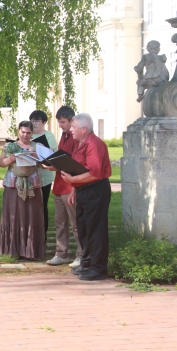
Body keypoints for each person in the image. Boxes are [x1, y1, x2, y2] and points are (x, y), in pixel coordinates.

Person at [61, 113, 112, 281]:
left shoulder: (94, 144)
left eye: (74, 127)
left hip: (95, 189)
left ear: (84, 129)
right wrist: (74, 188)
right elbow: (80, 167)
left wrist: (73, 180)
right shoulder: (79, 143)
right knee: (83, 228)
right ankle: (87, 263)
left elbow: (96, 173)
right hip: (83, 189)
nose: (71, 130)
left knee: (95, 229)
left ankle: (98, 269)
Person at [0, 120, 46, 260]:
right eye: (22, 132)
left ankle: (31, 250)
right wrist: (11, 158)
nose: (25, 135)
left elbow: (46, 164)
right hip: (13, 185)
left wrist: (39, 158)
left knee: (31, 214)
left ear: (32, 133)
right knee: (14, 213)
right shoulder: (10, 146)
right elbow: (1, 163)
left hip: (33, 185)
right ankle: (12, 248)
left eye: (28, 133)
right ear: (18, 131)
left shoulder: (38, 146)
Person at [44, 106, 83, 267]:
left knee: (76, 223)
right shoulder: (64, 136)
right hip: (59, 184)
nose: (60, 125)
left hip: (70, 185)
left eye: (63, 122)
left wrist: (56, 165)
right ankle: (61, 253)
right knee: (60, 221)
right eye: (59, 122)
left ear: (71, 120)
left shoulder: (76, 137)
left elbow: (75, 161)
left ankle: (81, 255)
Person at [30, 109, 58, 244]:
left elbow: (52, 153)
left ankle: (42, 235)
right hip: (30, 174)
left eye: (37, 121)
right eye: (33, 121)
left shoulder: (49, 136)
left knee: (42, 205)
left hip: (44, 175)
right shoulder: (28, 134)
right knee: (30, 206)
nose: (34, 123)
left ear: (44, 123)